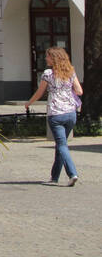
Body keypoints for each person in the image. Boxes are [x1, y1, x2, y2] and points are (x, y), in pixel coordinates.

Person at [28, 47, 82, 186]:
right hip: (71, 113)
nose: (46, 59)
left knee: (62, 145)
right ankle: (54, 176)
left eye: (48, 57)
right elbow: (79, 91)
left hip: (56, 114)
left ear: (54, 58)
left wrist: (29, 103)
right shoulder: (71, 71)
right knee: (61, 144)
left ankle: (72, 173)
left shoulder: (48, 74)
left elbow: (40, 92)